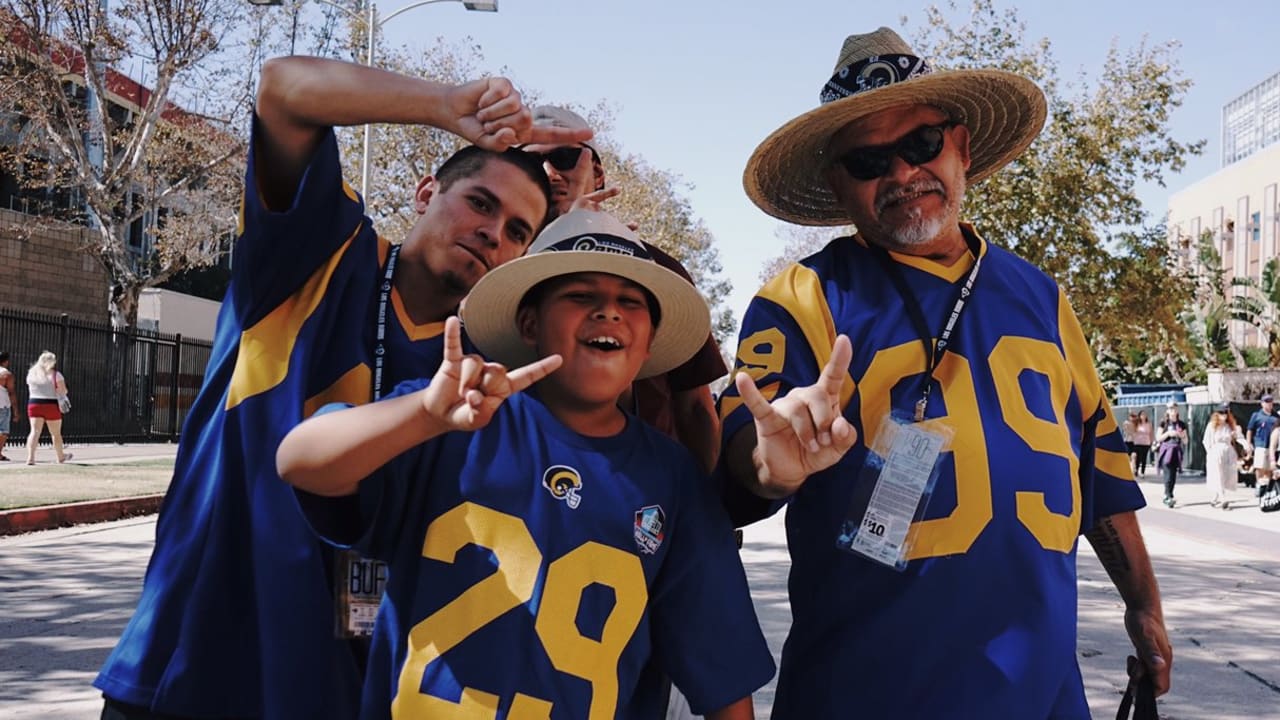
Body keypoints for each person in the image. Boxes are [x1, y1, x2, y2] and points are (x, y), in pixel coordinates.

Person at [94, 55, 590, 720]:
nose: (490, 234)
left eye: (516, 233)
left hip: (348, 692)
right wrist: (446, 104)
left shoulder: (487, 374)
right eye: (479, 202)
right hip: (192, 663)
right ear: (424, 195)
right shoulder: (318, 250)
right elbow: (282, 90)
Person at [718, 27, 1171, 718]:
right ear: (838, 185)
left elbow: (1098, 470)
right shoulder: (800, 299)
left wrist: (1144, 605)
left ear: (960, 146)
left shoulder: (1042, 298)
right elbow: (738, 467)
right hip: (863, 695)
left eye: (920, 144)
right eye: (868, 161)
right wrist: (771, 466)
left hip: (1043, 696)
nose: (901, 174)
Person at [276, 209, 775, 720]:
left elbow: (722, 670)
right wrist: (423, 415)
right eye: (581, 295)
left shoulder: (674, 481)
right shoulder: (448, 420)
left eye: (630, 301)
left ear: (648, 344)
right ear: (530, 323)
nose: (609, 312)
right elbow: (300, 459)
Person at [523, 105, 727, 474]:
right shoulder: (503, 275)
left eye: (565, 158)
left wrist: (708, 510)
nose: (549, 173)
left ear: (598, 172)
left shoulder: (658, 269)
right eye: (531, 165)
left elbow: (695, 407)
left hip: (650, 499)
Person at [24, 350, 71, 465]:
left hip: (34, 403)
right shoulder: (56, 375)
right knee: (55, 433)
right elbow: (63, 390)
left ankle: (30, 457)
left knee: (34, 431)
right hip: (51, 404)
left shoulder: (32, 374)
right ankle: (60, 456)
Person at [1204, 404, 1249, 510]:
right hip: (1216, 451)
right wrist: (1210, 453)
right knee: (1218, 474)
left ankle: (1215, 497)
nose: (1223, 415)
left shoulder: (1230, 426)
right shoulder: (1212, 426)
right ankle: (1223, 498)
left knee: (1225, 475)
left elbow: (1239, 437)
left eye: (1225, 413)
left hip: (1228, 451)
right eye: (1221, 413)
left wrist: (1246, 445)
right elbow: (1206, 441)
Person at [1156, 402, 1188, 507]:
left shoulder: (1181, 424)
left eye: (1174, 409)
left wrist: (1182, 436)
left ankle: (1170, 494)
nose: (1173, 411)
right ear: (1167, 411)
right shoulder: (1164, 423)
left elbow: (1186, 441)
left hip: (1176, 451)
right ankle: (1168, 496)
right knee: (1168, 473)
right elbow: (1158, 438)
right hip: (1166, 451)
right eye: (1170, 409)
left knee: (1173, 475)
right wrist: (1168, 434)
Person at [1246, 393, 1278, 492]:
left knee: (1269, 468)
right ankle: (1259, 485)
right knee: (1260, 467)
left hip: (1272, 446)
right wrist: (1248, 444)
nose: (1269, 404)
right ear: (1262, 403)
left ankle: (1267, 487)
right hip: (1260, 444)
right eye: (1266, 402)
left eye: (1270, 402)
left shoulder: (1276, 416)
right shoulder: (1256, 416)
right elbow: (1250, 430)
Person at [0, 350, 16, 461]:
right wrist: (16, 411)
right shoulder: (6, 374)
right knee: (4, 431)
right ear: (6, 361)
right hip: (3, 405)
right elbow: (11, 392)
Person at [1133, 410, 1154, 477]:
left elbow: (1151, 433)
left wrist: (1152, 441)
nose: (1143, 416)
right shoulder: (1137, 424)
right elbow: (1133, 431)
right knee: (1138, 457)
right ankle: (1136, 470)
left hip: (1146, 443)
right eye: (1142, 415)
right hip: (1138, 442)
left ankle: (1142, 472)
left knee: (1144, 458)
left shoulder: (1149, 424)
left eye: (1144, 415)